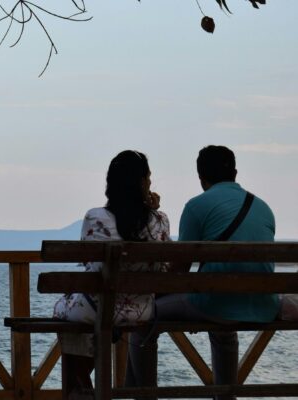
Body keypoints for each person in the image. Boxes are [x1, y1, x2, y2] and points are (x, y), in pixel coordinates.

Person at [127, 145, 279, 400]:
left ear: (201, 178)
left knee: (140, 319)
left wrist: (154, 295)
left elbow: (180, 271)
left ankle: (143, 395)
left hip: (215, 304)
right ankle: (226, 396)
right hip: (263, 305)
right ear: (235, 172)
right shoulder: (263, 207)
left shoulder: (197, 206)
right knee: (223, 324)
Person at [53, 150, 170, 399]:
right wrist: (151, 210)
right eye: (148, 178)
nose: (151, 183)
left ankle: (81, 388)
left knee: (68, 309)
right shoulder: (160, 220)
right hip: (141, 311)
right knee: (88, 309)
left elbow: (88, 262)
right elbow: (163, 267)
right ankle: (83, 387)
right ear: (142, 184)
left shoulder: (95, 217)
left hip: (99, 308)